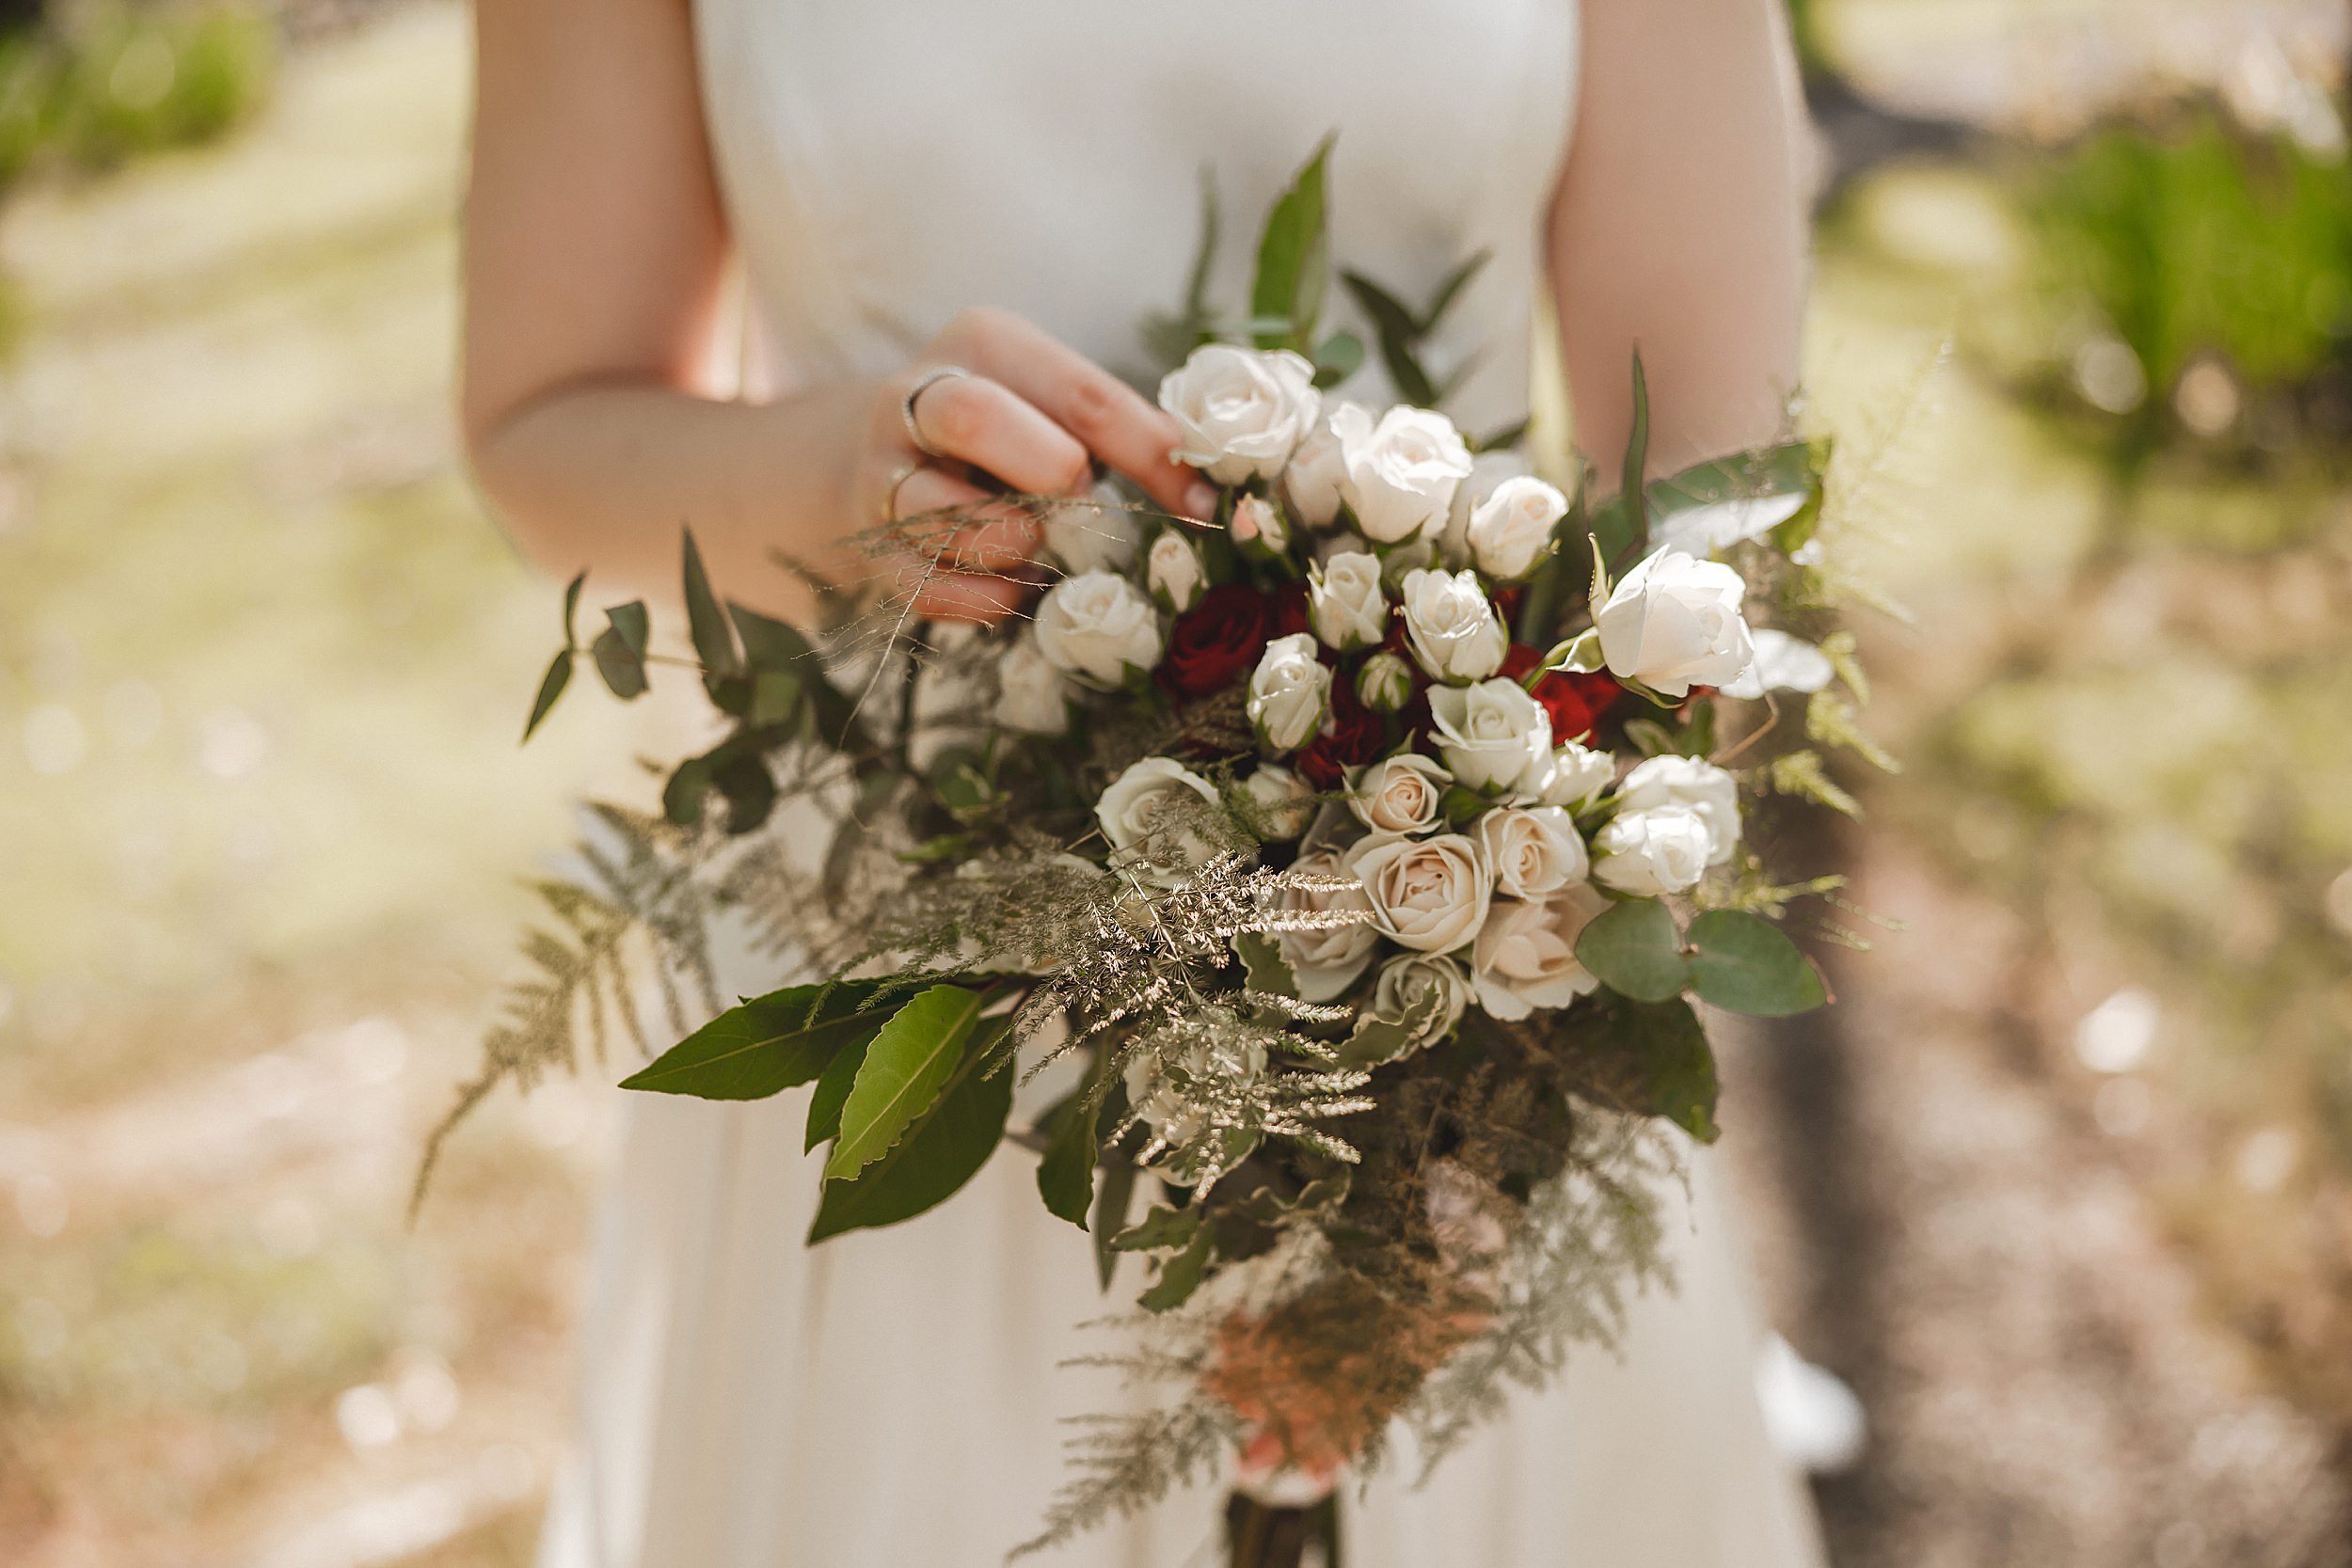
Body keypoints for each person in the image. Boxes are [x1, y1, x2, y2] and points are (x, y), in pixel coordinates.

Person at [461, 0, 1827, 1562]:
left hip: (1461, 948)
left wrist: (1498, 1062)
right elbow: (541, 423)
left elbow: (1721, 489)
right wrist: (840, 476)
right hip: (905, 964)